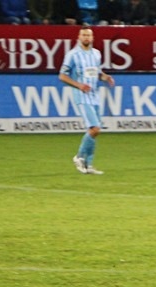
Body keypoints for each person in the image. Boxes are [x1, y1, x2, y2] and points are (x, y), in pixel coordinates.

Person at [59, 26, 115, 176]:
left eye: (88, 35)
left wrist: (105, 77)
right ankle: (79, 157)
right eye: (83, 35)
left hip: (94, 96)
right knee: (95, 129)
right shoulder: (72, 55)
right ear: (78, 37)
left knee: (94, 132)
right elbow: (62, 76)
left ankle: (89, 164)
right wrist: (79, 85)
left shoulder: (96, 54)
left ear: (92, 38)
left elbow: (96, 73)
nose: (86, 38)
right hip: (81, 96)